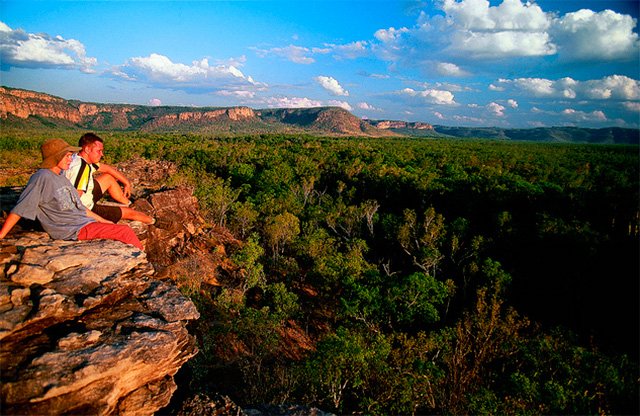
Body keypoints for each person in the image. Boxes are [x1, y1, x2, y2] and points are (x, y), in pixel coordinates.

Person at [0, 138, 144, 250]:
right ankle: (141, 260)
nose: (71, 159)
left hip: (81, 222)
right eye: (67, 156)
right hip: (71, 229)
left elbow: (78, 206)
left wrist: (101, 220)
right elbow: (20, 209)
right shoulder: (42, 177)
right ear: (56, 158)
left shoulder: (60, 175)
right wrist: (1, 235)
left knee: (118, 228)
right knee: (125, 232)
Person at [65, 132, 154, 225]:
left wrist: (126, 183)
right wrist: (100, 219)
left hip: (86, 194)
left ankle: (129, 203)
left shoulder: (76, 158)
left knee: (108, 178)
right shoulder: (82, 168)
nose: (102, 154)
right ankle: (153, 221)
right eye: (98, 151)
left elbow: (107, 169)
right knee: (132, 214)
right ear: (87, 149)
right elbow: (75, 202)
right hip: (86, 208)